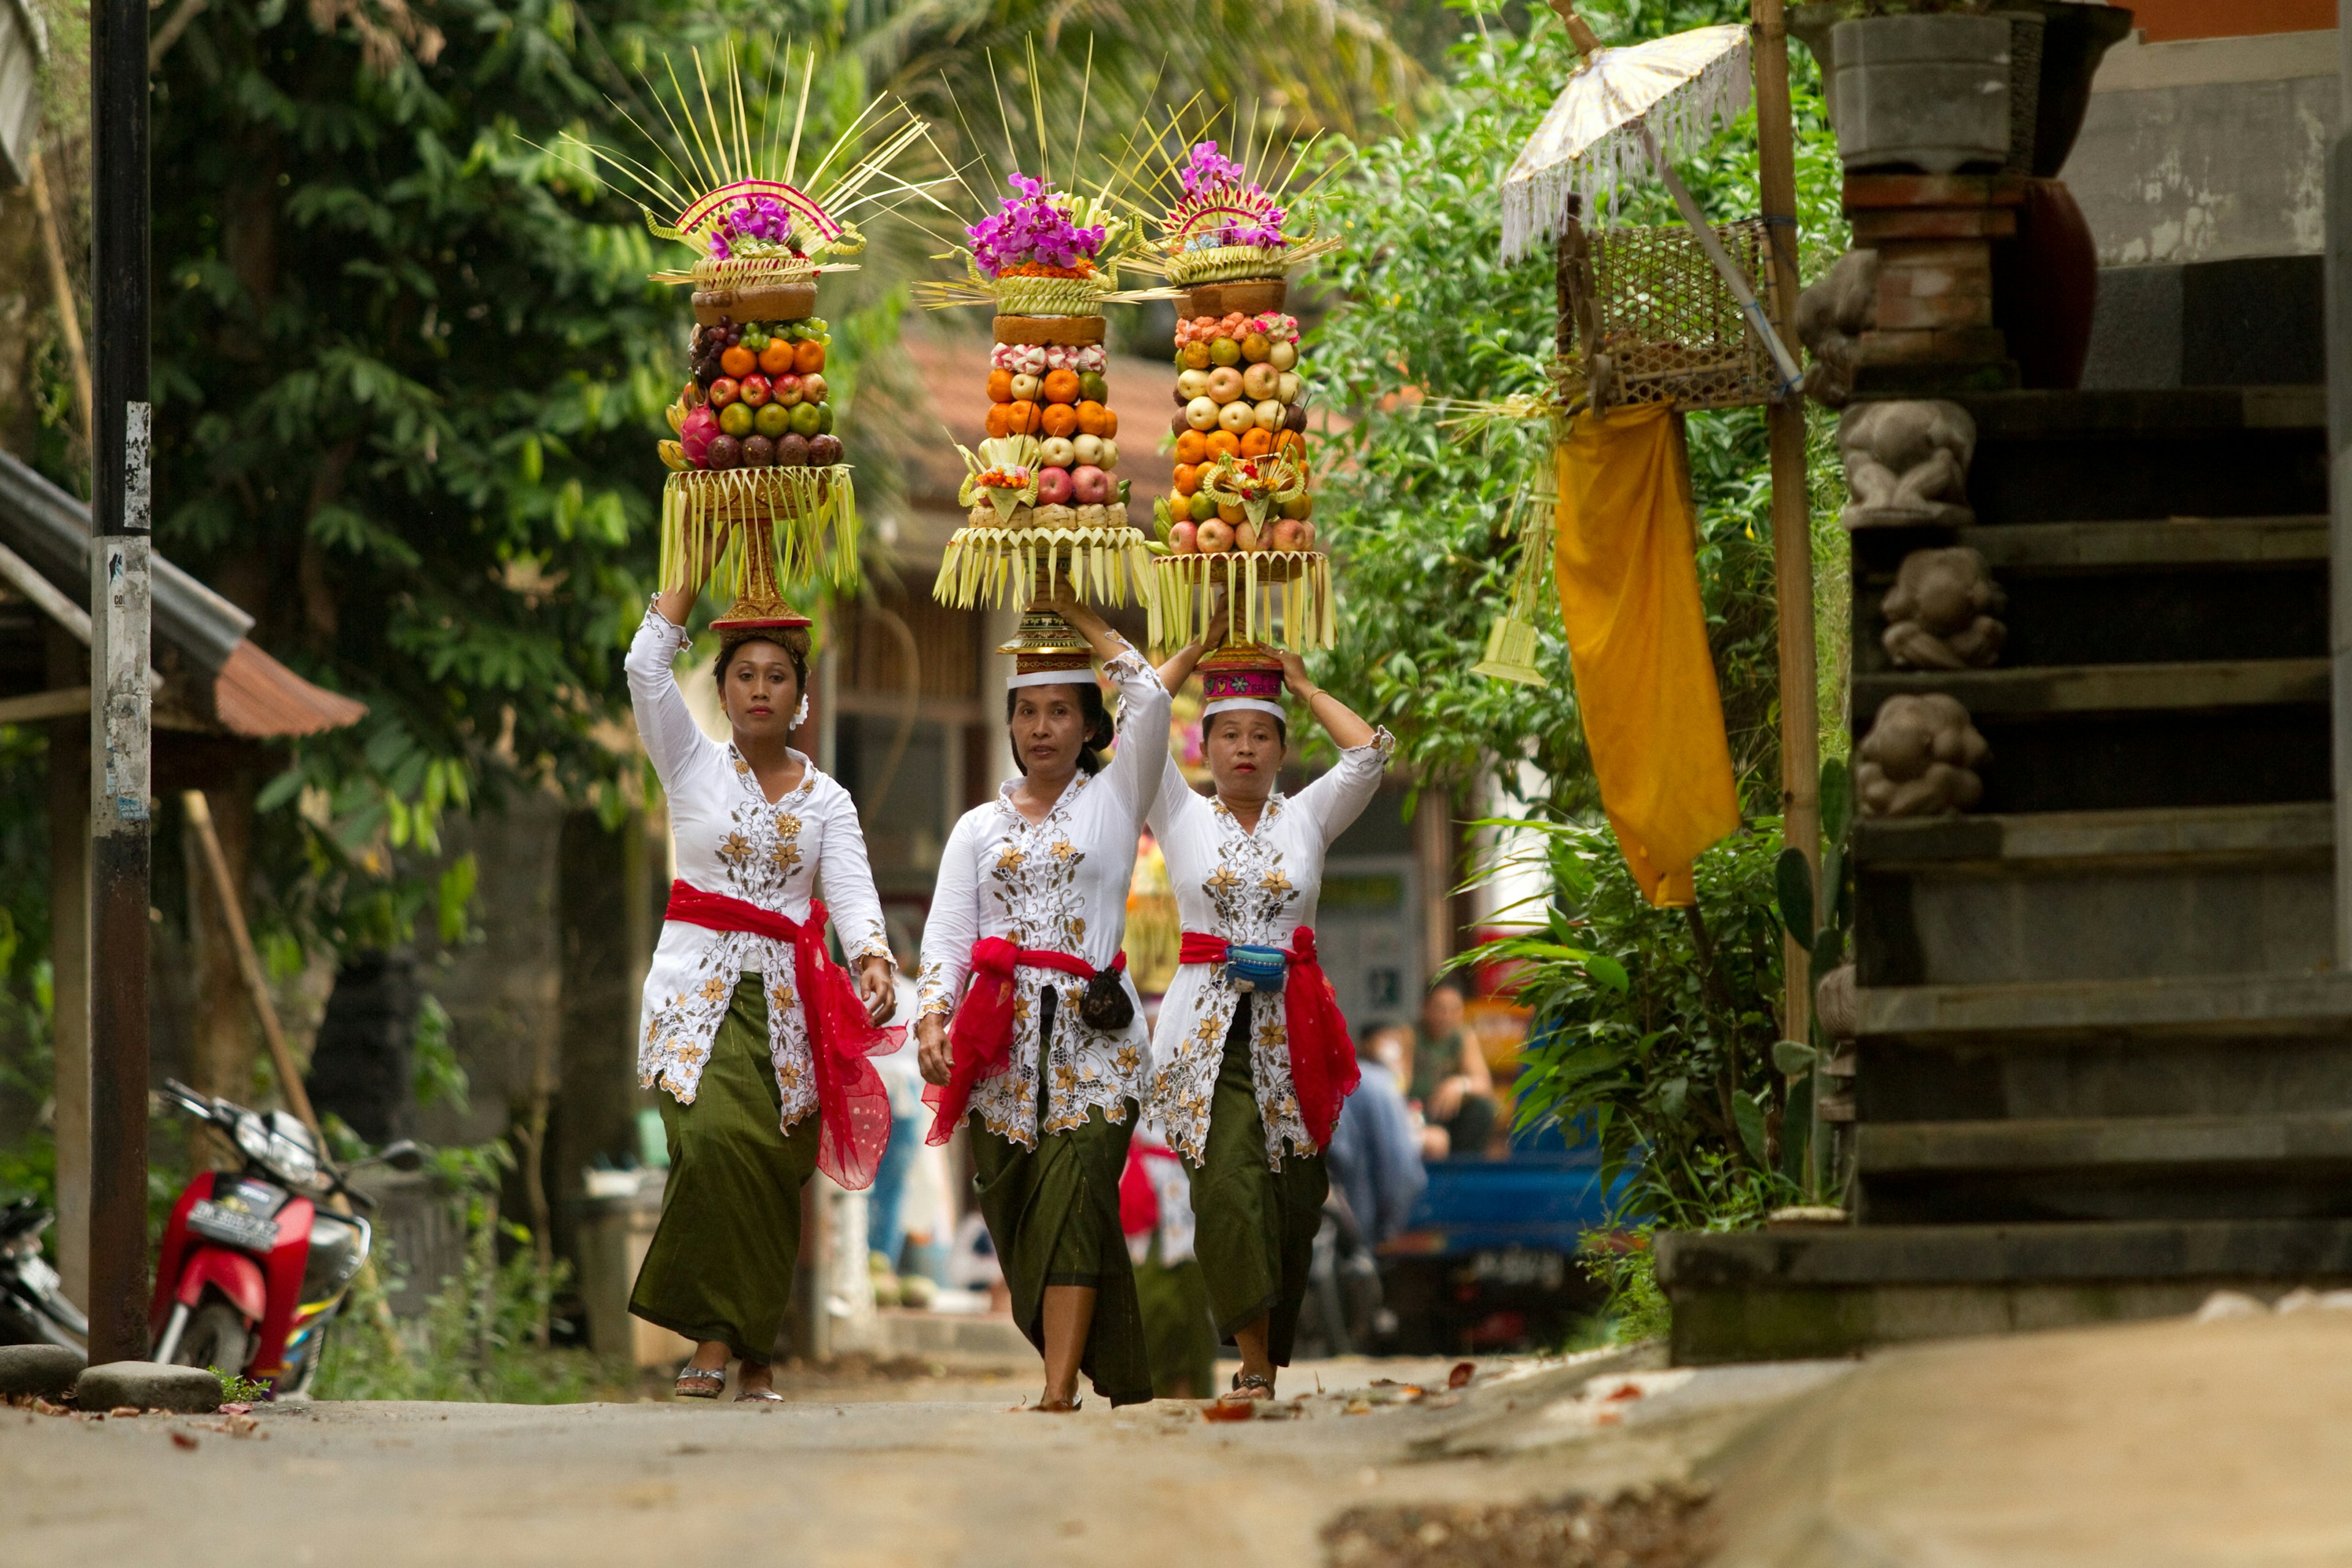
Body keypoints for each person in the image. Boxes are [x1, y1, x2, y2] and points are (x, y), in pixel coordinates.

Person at [624, 581, 899, 1403]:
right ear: (722, 690)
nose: (758, 690)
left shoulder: (829, 801)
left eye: (776, 676)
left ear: (802, 696)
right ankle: (722, 1337)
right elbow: (644, 669)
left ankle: (745, 1351)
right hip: (693, 1000)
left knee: (771, 1169)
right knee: (711, 1145)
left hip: (790, 1009)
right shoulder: (689, 763)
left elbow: (850, 892)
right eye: (743, 674)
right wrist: (683, 581)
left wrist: (875, 957)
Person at [914, 595, 1170, 1411]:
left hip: (1099, 1042)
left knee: (1075, 1197)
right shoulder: (975, 829)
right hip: (999, 1051)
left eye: (1061, 711)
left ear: (1091, 722)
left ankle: (1058, 1389)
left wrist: (1085, 622)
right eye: (1027, 712)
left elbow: (1155, 700)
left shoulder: (1117, 796)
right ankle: (1119, 1370)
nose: (1042, 727)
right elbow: (948, 938)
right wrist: (930, 1016)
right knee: (1021, 1220)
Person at [1148, 633, 1395, 1401]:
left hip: (1294, 1036)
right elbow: (1137, 719)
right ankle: (1252, 1364)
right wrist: (1192, 653)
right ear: (1206, 744)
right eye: (1229, 734)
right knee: (1228, 1186)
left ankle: (1268, 1348)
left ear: (1283, 747)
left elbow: (1368, 757)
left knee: (1294, 1200)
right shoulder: (1178, 810)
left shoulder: (1308, 818)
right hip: (1202, 1038)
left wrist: (1304, 683)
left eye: (1260, 733)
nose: (1245, 748)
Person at [1120, 1120, 1217, 1400]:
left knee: (1195, 1313)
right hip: (1142, 1188)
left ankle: (1195, 1398)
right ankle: (1151, 1398)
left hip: (1190, 1185)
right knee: (1150, 1308)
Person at [1325, 1020, 1428, 1250]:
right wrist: (1389, 1226)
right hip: (1355, 1223)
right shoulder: (1379, 1085)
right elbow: (1400, 1166)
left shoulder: (1334, 1077)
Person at [1412, 979, 1497, 1158]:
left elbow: (1484, 1083)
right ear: (1425, 1009)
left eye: (1454, 1009)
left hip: (1447, 1115)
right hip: (1415, 1114)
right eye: (1440, 1008)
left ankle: (1466, 1171)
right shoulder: (1411, 1036)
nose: (1447, 1015)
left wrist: (1460, 1084)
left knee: (1482, 1109)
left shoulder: (1463, 1037)